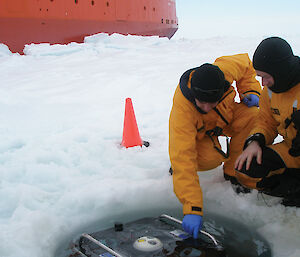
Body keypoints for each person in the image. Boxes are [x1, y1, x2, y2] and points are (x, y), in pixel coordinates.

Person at [169, 53, 262, 239]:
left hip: (225, 118)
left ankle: (234, 171)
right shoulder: (183, 111)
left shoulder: (225, 69)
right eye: (201, 102)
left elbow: (246, 65)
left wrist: (251, 92)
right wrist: (193, 208)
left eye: (210, 102)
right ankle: (181, 173)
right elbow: (183, 155)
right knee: (210, 160)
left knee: (253, 115)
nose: (205, 107)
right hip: (201, 134)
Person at [235, 37, 300, 207]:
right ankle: (293, 186)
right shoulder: (269, 92)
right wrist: (255, 140)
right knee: (246, 170)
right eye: (259, 77)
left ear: (281, 71)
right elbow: (266, 122)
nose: (263, 83)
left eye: (266, 77)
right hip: (291, 151)